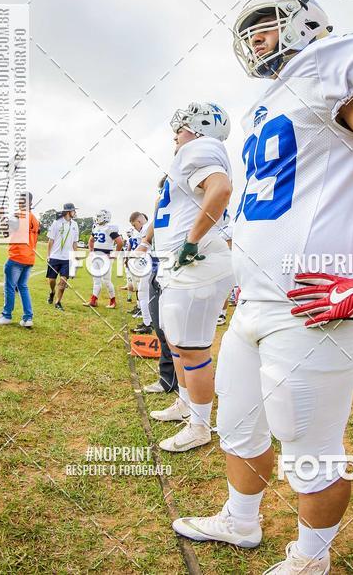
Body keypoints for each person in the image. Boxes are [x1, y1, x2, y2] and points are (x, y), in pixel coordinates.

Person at [173, 0, 353, 573]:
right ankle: (241, 520)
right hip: (254, 302)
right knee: (239, 425)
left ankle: (311, 559)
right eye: (246, 29)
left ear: (306, 22)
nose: (255, 37)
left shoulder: (336, 62)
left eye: (266, 24)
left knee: (310, 452)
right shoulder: (265, 102)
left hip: (311, 305)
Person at [150, 101, 233, 453]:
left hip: (195, 263)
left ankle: (200, 425)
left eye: (182, 125)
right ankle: (186, 402)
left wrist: (191, 241)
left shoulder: (200, 147)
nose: (176, 132)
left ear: (199, 128)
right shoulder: (189, 154)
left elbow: (221, 188)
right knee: (177, 342)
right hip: (181, 264)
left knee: (193, 348)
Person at [136, 177, 178, 395]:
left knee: (178, 330)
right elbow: (156, 221)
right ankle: (168, 378)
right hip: (157, 265)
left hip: (178, 266)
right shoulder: (163, 201)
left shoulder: (192, 197)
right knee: (160, 325)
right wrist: (144, 244)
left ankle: (182, 382)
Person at [0, 192, 39, 327]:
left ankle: (6, 315)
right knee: (23, 287)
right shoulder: (34, 219)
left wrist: (1, 215)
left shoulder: (19, 216)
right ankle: (28, 318)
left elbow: (4, 230)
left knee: (10, 287)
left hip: (17, 256)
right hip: (29, 258)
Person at [83, 209, 122, 308]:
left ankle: (113, 301)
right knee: (96, 280)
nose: (97, 218)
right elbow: (91, 241)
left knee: (106, 280)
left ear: (105, 217)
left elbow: (120, 242)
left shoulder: (109, 228)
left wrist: (115, 254)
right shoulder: (96, 227)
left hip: (105, 257)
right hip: (96, 256)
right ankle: (93, 300)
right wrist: (91, 251)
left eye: (99, 216)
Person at [46, 203, 78, 311]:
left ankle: (58, 302)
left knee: (63, 281)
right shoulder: (56, 223)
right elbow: (50, 240)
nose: (75, 212)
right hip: (55, 256)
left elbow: (75, 242)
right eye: (73, 211)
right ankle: (52, 292)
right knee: (51, 280)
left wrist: (75, 256)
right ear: (68, 212)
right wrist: (48, 255)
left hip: (67, 258)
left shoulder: (75, 225)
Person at [129, 211, 153, 335]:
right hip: (159, 261)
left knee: (143, 293)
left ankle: (147, 323)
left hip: (151, 262)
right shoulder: (150, 226)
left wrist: (131, 258)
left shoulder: (146, 229)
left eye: (134, 225)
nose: (135, 228)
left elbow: (143, 247)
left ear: (139, 221)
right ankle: (151, 321)